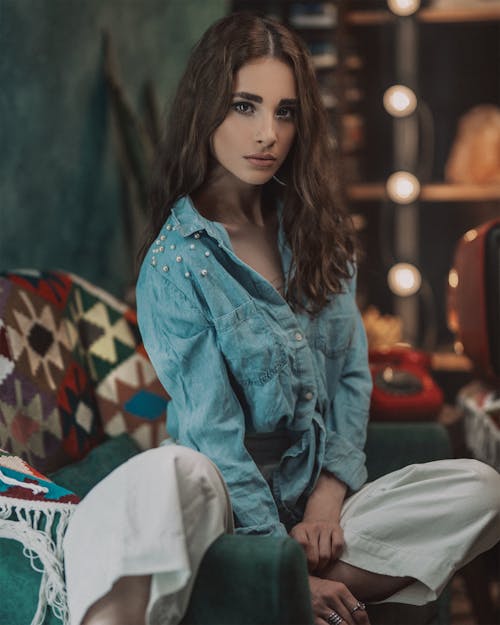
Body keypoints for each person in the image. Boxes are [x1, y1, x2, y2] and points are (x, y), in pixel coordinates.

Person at [65, 12, 500, 625]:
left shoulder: (318, 232)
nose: (267, 133)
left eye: (285, 111)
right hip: (224, 505)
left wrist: (327, 500)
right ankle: (274, 583)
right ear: (207, 110)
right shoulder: (175, 264)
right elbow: (213, 434)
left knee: (481, 487)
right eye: (245, 107)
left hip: (321, 510)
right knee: (170, 472)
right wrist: (280, 555)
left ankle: (267, 598)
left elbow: (351, 376)